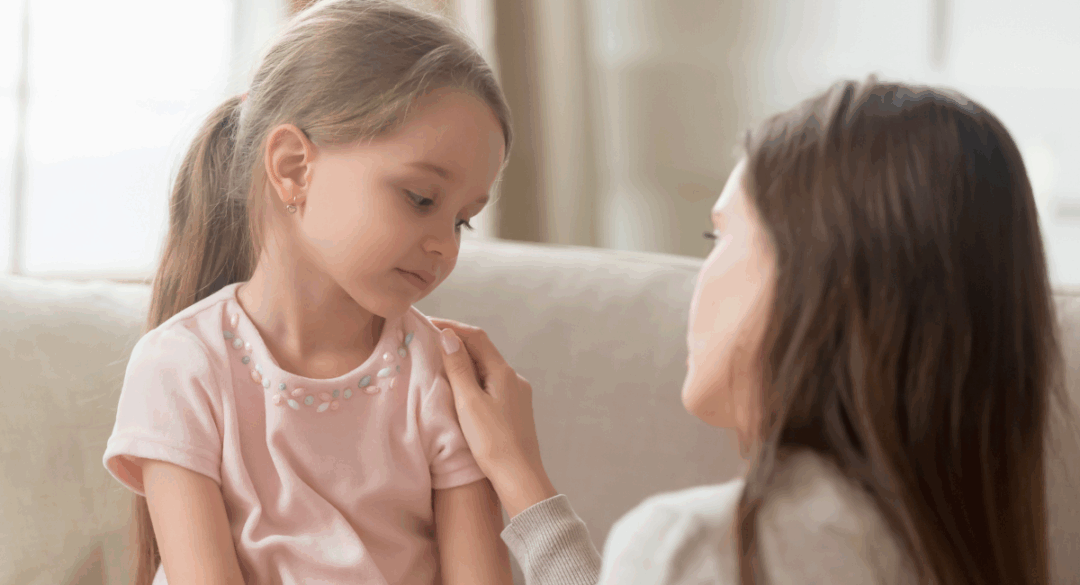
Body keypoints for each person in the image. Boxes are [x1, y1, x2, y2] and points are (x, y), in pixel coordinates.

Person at [433, 78, 1067, 584]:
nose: (700, 278)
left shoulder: (704, 549)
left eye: (720, 236)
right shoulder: (958, 548)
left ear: (813, 277)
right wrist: (521, 481)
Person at [101, 1, 514, 584]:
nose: (446, 245)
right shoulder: (182, 366)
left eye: (462, 220)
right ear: (294, 167)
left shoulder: (439, 375)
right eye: (422, 198)